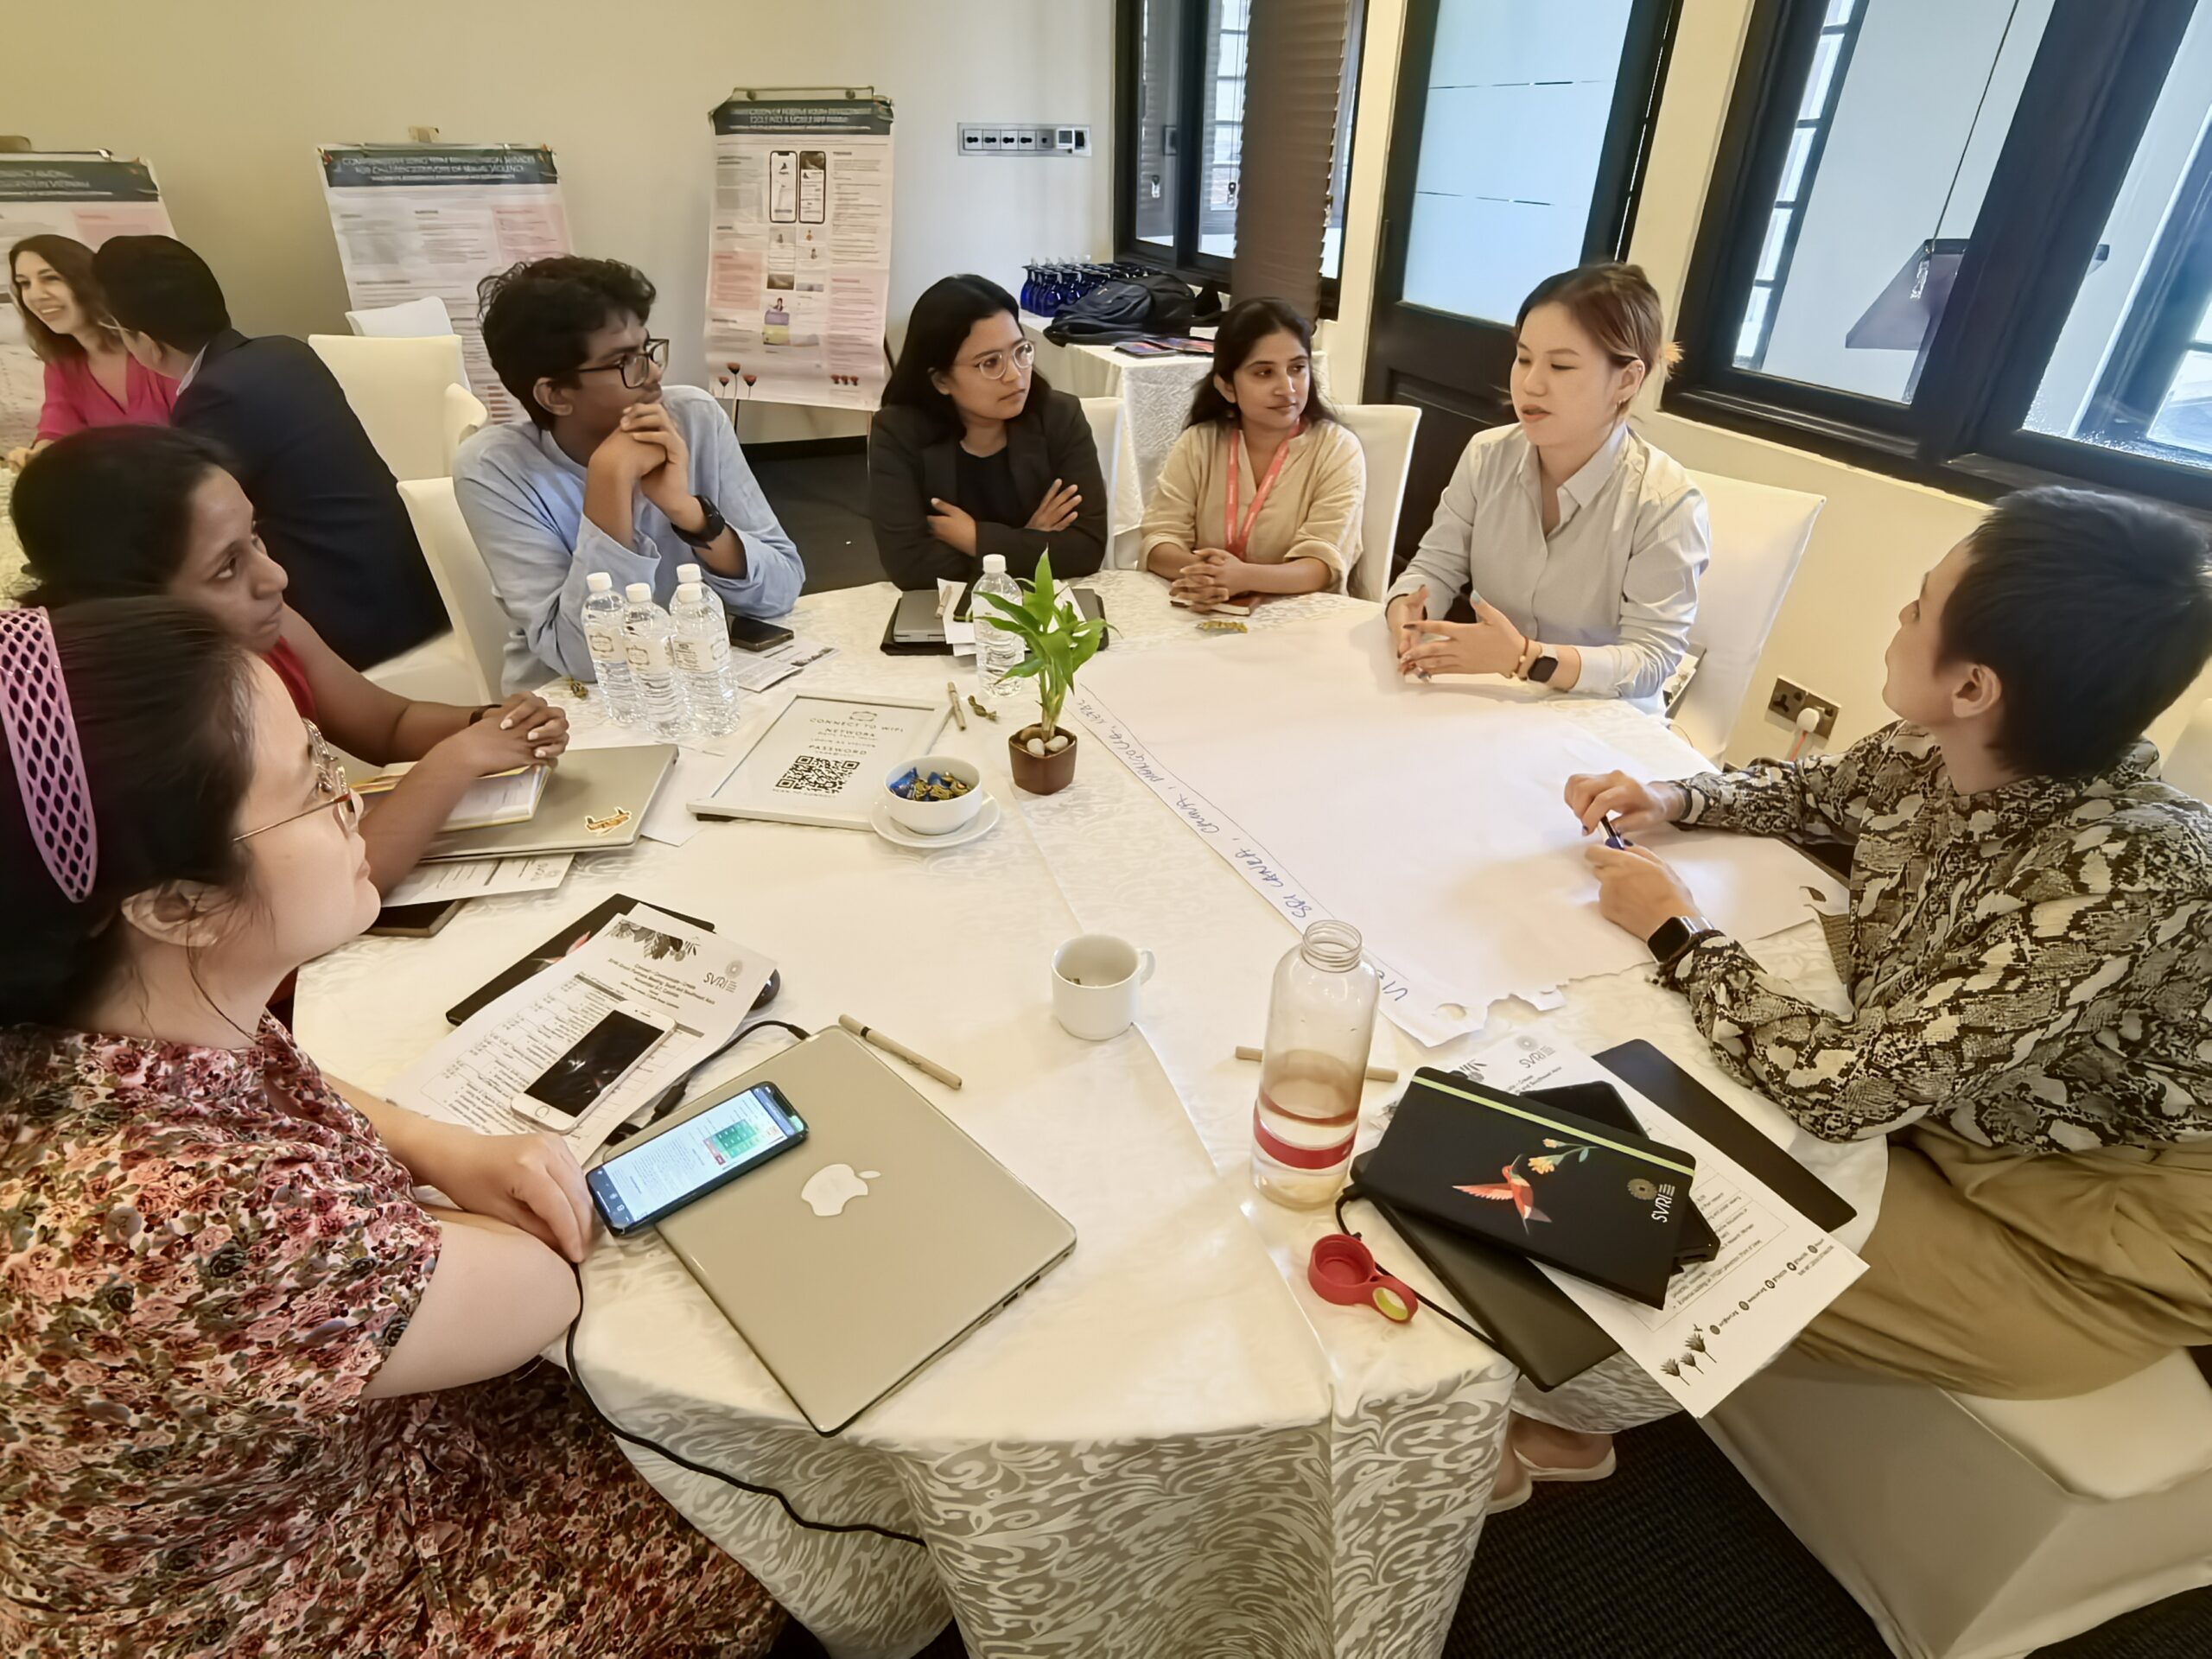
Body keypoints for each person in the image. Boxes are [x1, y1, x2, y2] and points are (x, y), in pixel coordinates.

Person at [0, 598, 786, 1656]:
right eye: (315, 786)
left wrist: (433, 1144)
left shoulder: (92, 1027)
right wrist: (460, 1199)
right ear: (178, 901)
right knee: (764, 1512)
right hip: (310, 1595)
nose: (352, 802)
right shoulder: (188, 1218)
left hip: (285, 1467)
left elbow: (281, 1086)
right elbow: (542, 1284)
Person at [1494, 487, 2212, 1508]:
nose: (1899, 621)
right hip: (1954, 1106)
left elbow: (1850, 1090)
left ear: (1971, 686)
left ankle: (1558, 1427)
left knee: (1695, 1224)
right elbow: (1817, 791)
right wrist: (1673, 799)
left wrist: (1677, 929)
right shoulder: (1945, 748)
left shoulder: (2132, 868)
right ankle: (1575, 1394)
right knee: (1652, 1109)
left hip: (2103, 1218)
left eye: (1918, 610)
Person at [12, 425, 568, 893]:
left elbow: (388, 723)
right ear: (131, 605)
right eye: (227, 566)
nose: (274, 576)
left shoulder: (270, 635)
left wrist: (490, 724)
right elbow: (337, 887)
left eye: (255, 538)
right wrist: (455, 761)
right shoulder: (158, 732)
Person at [91, 233, 447, 671]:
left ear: (146, 343)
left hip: (356, 623)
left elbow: (191, 522)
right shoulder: (286, 352)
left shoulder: (211, 397)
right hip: (414, 592)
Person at [458, 257, 802, 690]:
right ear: (556, 394)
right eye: (624, 360)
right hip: (574, 706)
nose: (654, 372)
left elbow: (781, 590)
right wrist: (609, 479)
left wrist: (687, 512)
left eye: (647, 349)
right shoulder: (494, 469)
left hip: (696, 676)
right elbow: (586, 660)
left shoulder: (691, 418)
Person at [1387, 263, 1707, 706]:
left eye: (1560, 365)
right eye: (1523, 358)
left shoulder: (1666, 503)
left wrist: (1529, 659)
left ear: (1627, 379)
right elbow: (1436, 567)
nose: (1530, 383)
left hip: (1598, 725)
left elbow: (1651, 660)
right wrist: (1407, 611)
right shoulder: (1487, 455)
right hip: (1494, 699)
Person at [869, 274, 1107, 590]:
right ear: (941, 380)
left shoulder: (1059, 416)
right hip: (946, 617)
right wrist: (1028, 539)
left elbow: (1086, 550)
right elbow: (910, 568)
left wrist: (978, 540)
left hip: (1044, 609)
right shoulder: (898, 432)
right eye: (990, 363)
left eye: (1020, 351)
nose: (1015, 375)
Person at [1141, 296, 1365, 606]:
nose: (1287, 388)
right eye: (1264, 373)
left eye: (1297, 368)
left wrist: (1243, 577)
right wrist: (1206, 576)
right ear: (1227, 386)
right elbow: (1159, 540)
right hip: (1204, 609)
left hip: (1299, 618)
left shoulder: (1338, 449)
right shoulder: (1200, 442)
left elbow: (1322, 565)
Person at [3, 233, 175, 472]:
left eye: (50, 278)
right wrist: (38, 457)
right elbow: (59, 425)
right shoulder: (62, 364)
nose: (35, 295)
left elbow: (204, 435)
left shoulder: (156, 345)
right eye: (25, 283)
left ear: (86, 280)